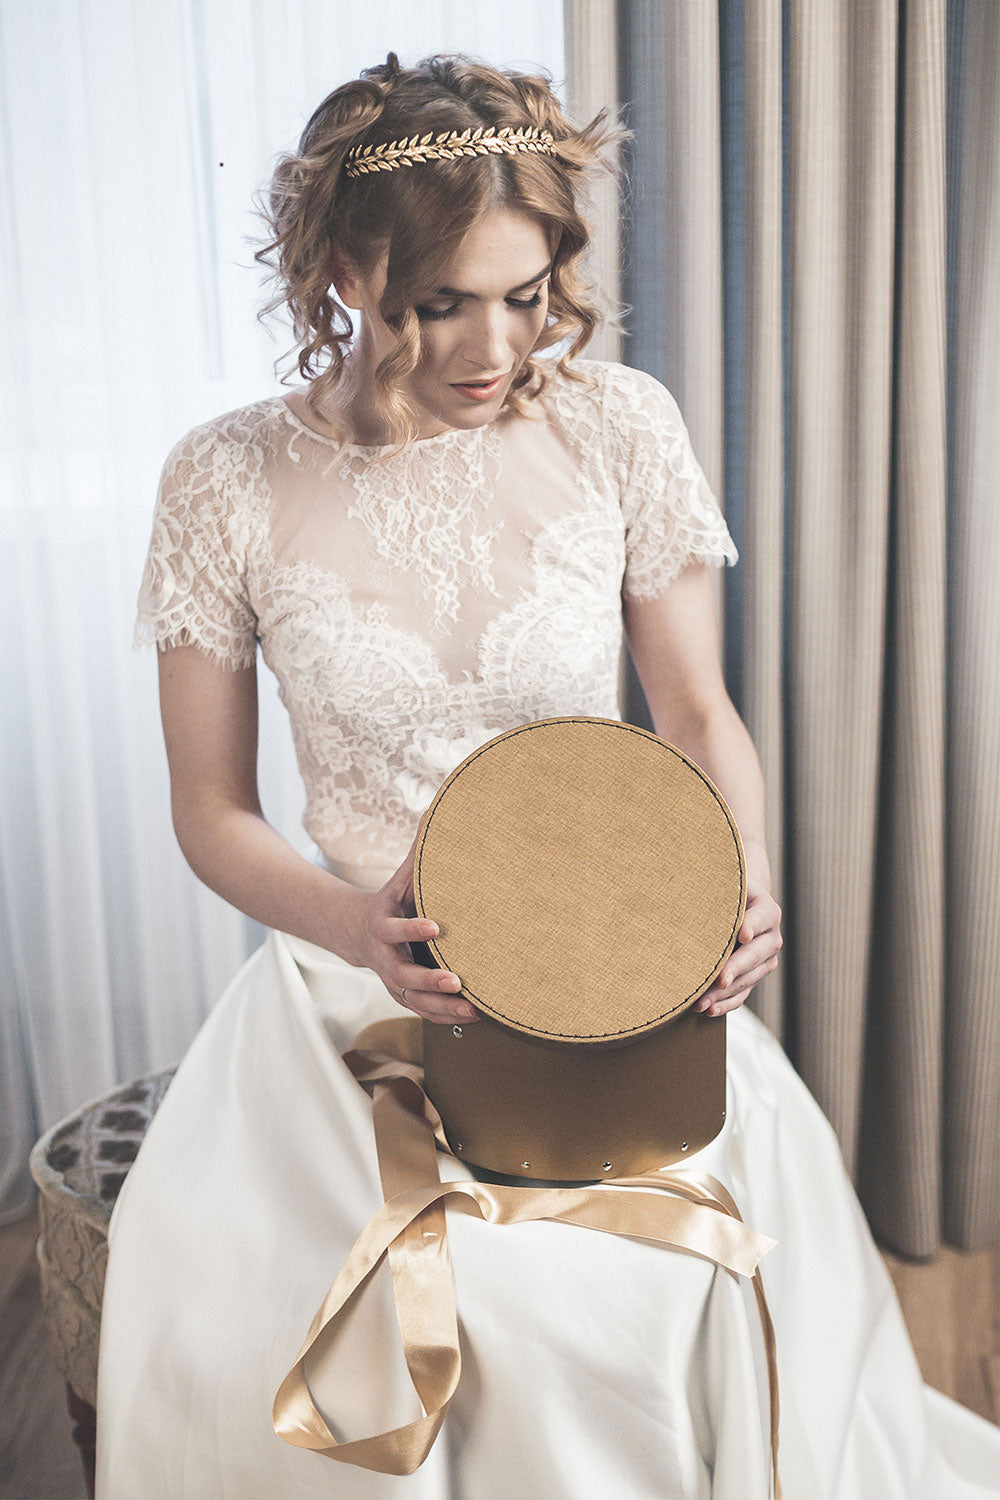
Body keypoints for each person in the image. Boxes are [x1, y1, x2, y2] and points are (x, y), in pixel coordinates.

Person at [96, 51, 1000, 1500]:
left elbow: (698, 708)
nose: (492, 346)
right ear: (341, 268)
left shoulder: (618, 423)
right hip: (360, 981)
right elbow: (211, 810)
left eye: (525, 296)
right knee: (429, 1319)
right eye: (439, 301)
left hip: (617, 953)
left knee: (673, 1291)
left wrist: (744, 881)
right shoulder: (226, 477)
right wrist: (359, 931)